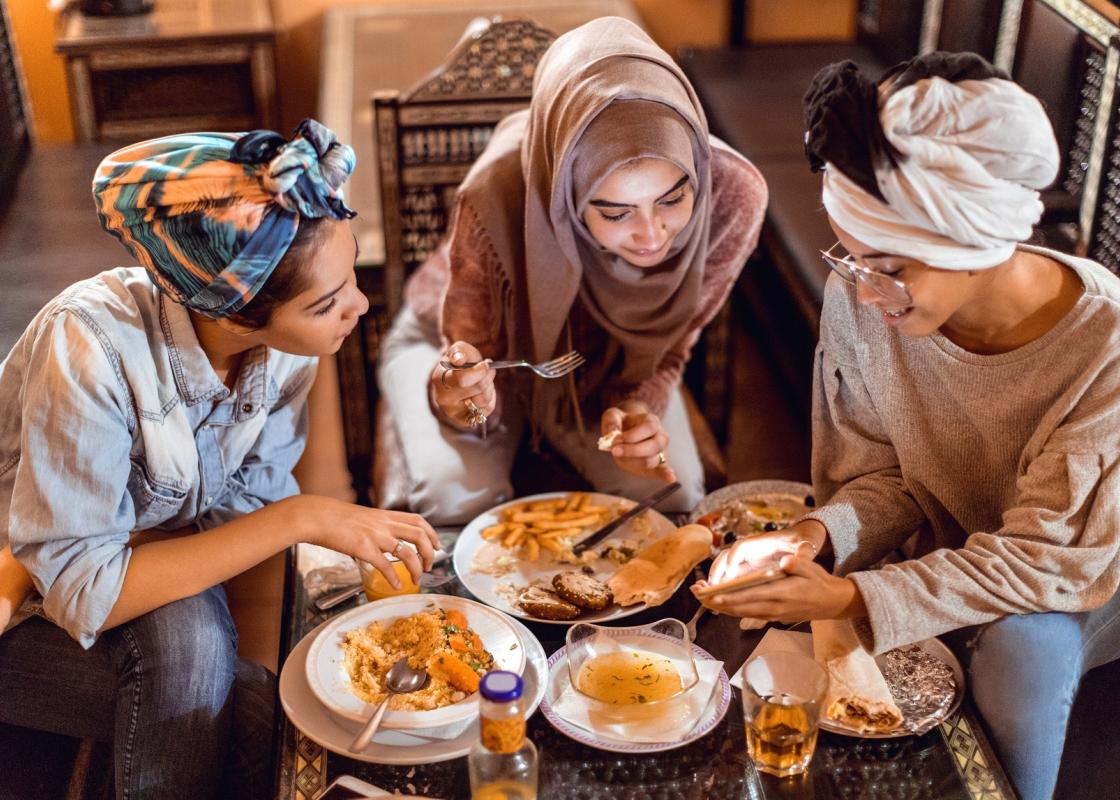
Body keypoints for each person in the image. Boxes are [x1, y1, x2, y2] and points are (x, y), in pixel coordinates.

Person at [693, 52, 1120, 800]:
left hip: (1081, 577)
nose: (866, 291)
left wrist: (853, 600)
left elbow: (1045, 562)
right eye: (851, 259)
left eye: (889, 265)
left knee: (1026, 646)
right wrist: (815, 535)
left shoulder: (1104, 349)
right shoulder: (865, 294)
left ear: (976, 241)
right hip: (954, 550)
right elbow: (888, 477)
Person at [0, 120, 439, 799]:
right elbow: (83, 586)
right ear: (233, 317)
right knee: (209, 666)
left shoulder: (287, 350)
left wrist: (271, 520)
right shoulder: (89, 346)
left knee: (254, 706)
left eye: (350, 274)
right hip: (18, 606)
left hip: (109, 579)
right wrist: (302, 518)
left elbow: (232, 514)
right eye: (327, 302)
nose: (358, 307)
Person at [378, 17, 767, 524]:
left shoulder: (733, 196)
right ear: (565, 196)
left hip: (607, 365)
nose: (652, 236)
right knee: (456, 501)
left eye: (673, 199)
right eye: (615, 212)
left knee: (671, 497)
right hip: (458, 345)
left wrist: (636, 407)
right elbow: (473, 377)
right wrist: (461, 400)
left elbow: (672, 343)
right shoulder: (494, 197)